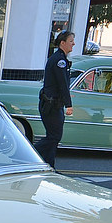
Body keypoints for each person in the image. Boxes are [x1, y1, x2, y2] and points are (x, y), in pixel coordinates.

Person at [35, 30, 75, 168]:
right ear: (62, 43)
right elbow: (62, 84)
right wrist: (69, 105)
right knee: (54, 137)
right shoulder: (59, 61)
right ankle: (29, 153)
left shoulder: (59, 58)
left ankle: (49, 166)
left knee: (53, 137)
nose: (73, 44)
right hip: (51, 105)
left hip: (53, 104)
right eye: (71, 41)